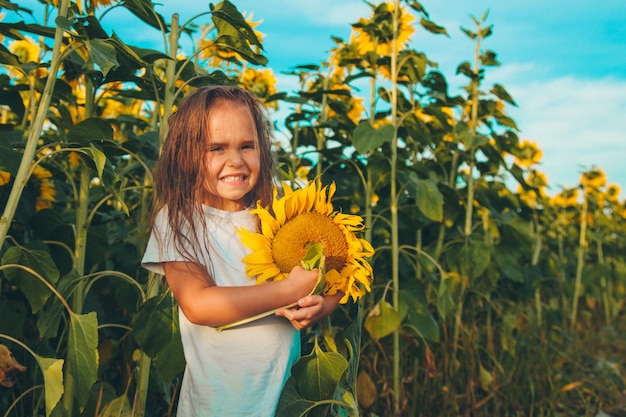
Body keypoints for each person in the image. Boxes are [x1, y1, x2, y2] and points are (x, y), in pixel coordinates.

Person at [141, 85, 342, 416]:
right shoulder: (180, 219)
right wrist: (289, 290)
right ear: (186, 154)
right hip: (216, 407)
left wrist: (322, 305)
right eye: (217, 148)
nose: (235, 161)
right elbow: (198, 305)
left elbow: (335, 274)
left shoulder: (280, 213)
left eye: (247, 146)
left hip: (283, 402)